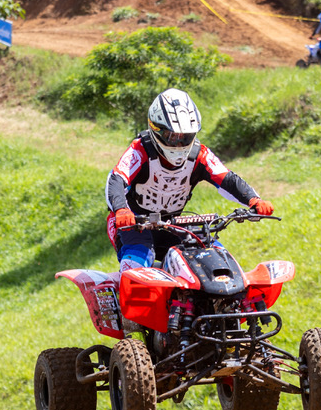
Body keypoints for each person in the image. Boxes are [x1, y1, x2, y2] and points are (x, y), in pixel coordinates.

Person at [107, 88, 274, 272]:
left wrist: (253, 199)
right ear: (156, 129)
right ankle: (127, 296)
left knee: (214, 253)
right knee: (138, 257)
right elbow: (116, 179)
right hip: (133, 224)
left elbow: (226, 179)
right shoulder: (140, 150)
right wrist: (121, 210)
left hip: (173, 223)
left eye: (184, 137)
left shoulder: (199, 154)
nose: (179, 144)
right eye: (172, 136)